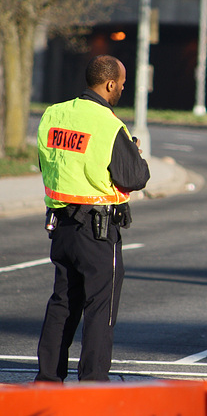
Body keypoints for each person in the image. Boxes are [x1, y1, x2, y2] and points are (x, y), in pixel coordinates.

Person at [35, 54, 150, 382]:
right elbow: (135, 177)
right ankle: (94, 385)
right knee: (100, 308)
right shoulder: (109, 124)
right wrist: (135, 154)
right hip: (97, 232)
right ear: (109, 84)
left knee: (62, 304)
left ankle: (46, 381)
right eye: (122, 84)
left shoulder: (53, 115)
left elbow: (49, 163)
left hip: (61, 226)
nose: (122, 89)